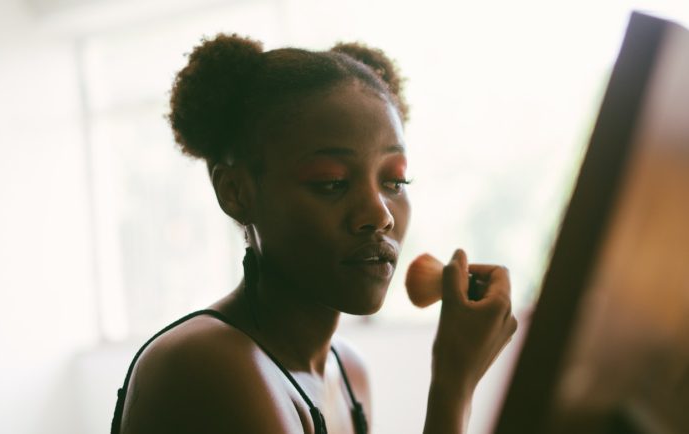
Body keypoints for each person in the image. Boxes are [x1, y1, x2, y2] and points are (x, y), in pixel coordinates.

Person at [111, 33, 518, 434]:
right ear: (236, 192)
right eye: (331, 182)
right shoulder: (206, 365)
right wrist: (454, 385)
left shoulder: (347, 373)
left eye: (395, 181)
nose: (380, 215)